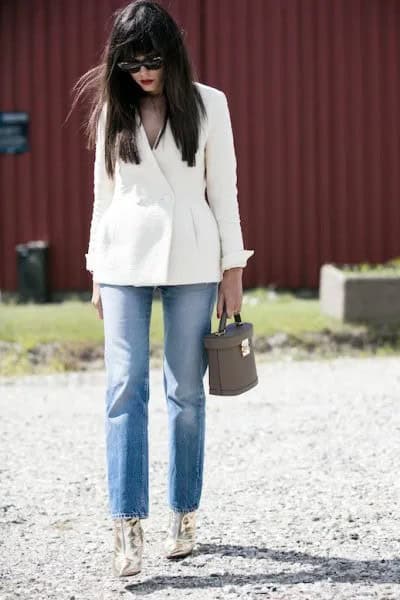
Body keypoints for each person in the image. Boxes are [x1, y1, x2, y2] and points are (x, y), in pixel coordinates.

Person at [72, 0, 254, 578]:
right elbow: (104, 197)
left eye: (151, 58)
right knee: (124, 388)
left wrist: (233, 269)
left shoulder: (209, 104)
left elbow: (223, 191)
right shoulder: (112, 111)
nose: (142, 71)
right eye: (129, 61)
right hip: (123, 261)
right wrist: (96, 269)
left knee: (186, 395)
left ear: (172, 53)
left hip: (194, 261)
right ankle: (126, 525)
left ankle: (184, 512)